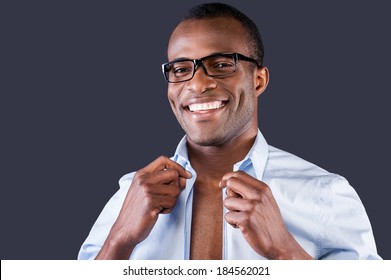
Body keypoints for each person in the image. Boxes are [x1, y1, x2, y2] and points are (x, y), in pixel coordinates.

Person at [78, 3, 380, 260]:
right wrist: (119, 239)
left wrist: (285, 251)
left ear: (258, 81)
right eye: (181, 70)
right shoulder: (130, 194)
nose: (197, 85)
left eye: (222, 64)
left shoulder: (324, 194)